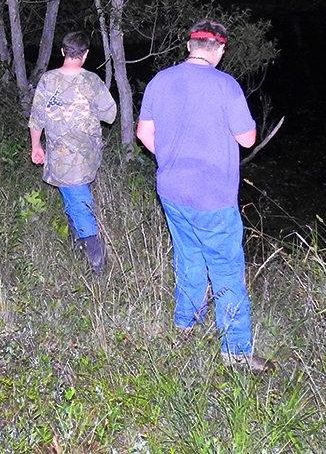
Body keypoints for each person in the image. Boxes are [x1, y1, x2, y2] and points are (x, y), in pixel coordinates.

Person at [135, 19, 269, 371]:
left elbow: (144, 133)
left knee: (189, 257)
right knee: (226, 270)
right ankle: (237, 352)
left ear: (189, 46)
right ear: (221, 50)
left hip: (172, 190)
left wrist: (170, 159)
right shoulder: (226, 86)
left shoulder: (160, 81)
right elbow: (247, 139)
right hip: (212, 196)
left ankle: (184, 325)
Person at [28, 31, 118, 274]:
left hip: (65, 157)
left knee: (78, 200)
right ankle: (85, 247)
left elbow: (37, 118)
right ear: (86, 54)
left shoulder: (48, 80)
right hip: (84, 157)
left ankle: (95, 259)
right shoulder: (92, 81)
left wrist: (36, 145)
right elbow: (110, 114)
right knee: (76, 198)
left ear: (62, 52)